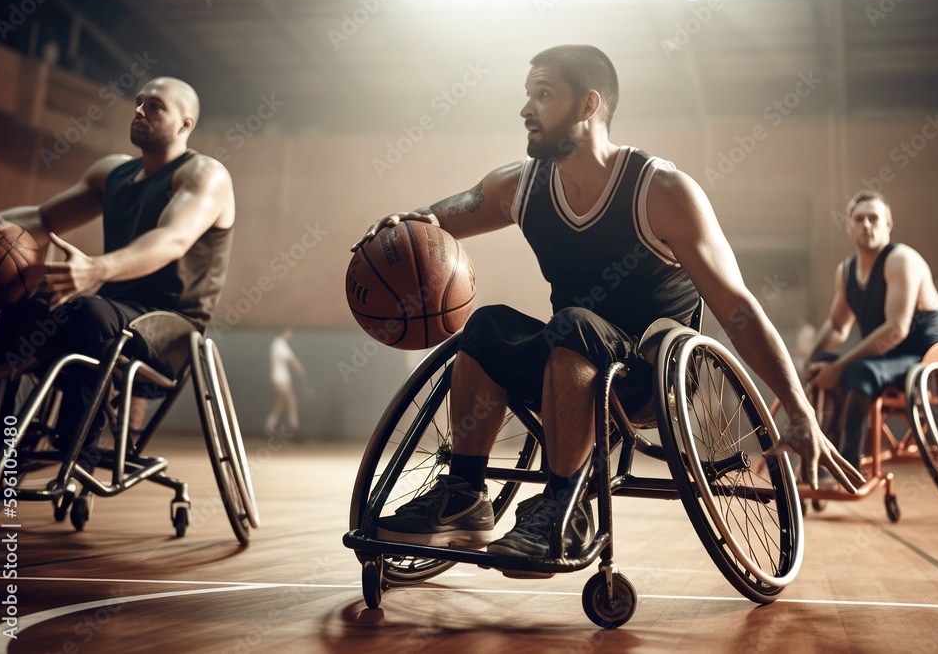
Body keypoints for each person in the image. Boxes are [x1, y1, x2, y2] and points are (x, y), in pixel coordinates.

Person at [351, 45, 864, 561]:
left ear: (588, 105)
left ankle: (565, 507)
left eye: (543, 94)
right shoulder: (520, 186)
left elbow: (738, 308)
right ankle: (462, 496)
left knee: (575, 325)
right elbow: (437, 220)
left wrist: (799, 409)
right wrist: (401, 226)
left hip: (649, 376)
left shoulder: (661, 191)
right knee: (486, 325)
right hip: (566, 362)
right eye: (528, 95)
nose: (526, 109)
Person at [0, 76, 235, 459]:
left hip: (170, 328)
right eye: (139, 102)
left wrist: (98, 269)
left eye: (155, 106)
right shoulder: (114, 172)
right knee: (18, 314)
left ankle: (77, 450)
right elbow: (41, 217)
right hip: (111, 311)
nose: (139, 110)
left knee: (89, 312)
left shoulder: (204, 175)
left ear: (186, 124)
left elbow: (173, 239)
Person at [806, 190, 938, 472]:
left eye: (874, 218)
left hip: (922, 358)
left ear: (888, 224)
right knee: (823, 363)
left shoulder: (901, 260)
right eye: (859, 219)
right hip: (880, 360)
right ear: (849, 226)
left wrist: (841, 368)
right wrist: (812, 359)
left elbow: (896, 330)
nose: (866, 225)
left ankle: (847, 465)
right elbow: (837, 326)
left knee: (856, 370)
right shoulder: (846, 270)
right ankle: (824, 456)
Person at [265, 328, 314, 437]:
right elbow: (292, 360)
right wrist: (300, 368)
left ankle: (269, 426)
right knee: (292, 401)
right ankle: (294, 429)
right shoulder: (279, 343)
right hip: (281, 380)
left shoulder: (277, 343)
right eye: (289, 332)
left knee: (281, 403)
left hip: (280, 379)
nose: (291, 335)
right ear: (285, 331)